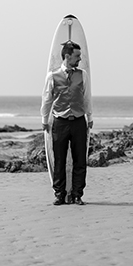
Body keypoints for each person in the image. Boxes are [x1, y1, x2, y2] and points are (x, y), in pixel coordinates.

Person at [41, 41, 93, 206]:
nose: (80, 58)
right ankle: (59, 194)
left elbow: (86, 97)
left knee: (80, 160)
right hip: (60, 122)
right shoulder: (53, 76)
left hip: (78, 121)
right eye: (77, 56)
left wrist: (89, 117)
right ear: (67, 56)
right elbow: (47, 99)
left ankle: (77, 195)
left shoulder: (82, 74)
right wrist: (44, 120)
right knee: (59, 160)